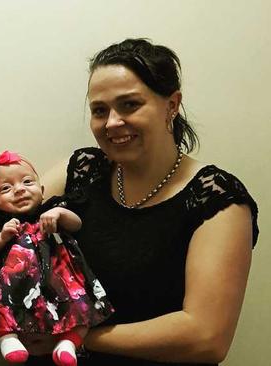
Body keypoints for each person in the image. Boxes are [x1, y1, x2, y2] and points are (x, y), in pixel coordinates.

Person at [26, 38, 259, 365]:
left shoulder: (218, 199)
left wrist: (75, 335)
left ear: (171, 105)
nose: (111, 123)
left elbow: (206, 338)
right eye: (99, 110)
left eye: (130, 105)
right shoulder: (81, 170)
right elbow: (10, 222)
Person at [0, 151, 113, 366]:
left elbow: (77, 224)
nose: (19, 189)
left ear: (42, 191)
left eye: (27, 182)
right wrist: (2, 236)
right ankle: (8, 340)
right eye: (6, 188)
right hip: (14, 283)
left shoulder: (52, 209)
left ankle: (68, 344)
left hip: (58, 277)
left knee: (81, 306)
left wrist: (59, 214)